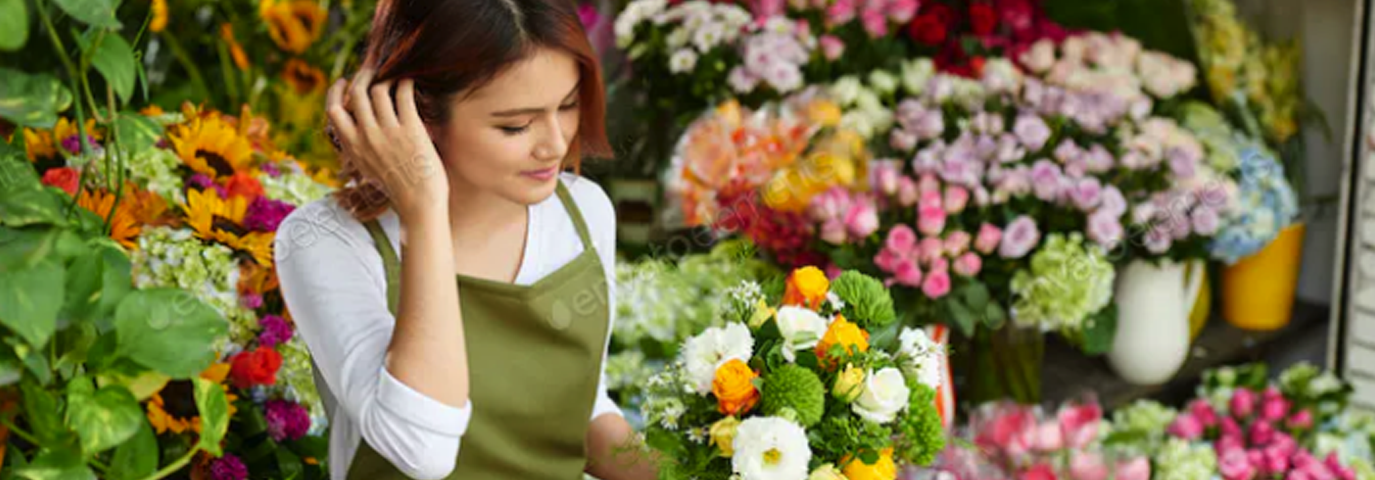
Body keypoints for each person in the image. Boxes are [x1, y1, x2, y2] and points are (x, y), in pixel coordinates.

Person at [273, 0, 656, 478]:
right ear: (416, 114)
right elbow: (421, 452)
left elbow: (582, 411)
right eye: (516, 125)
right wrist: (423, 212)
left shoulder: (582, 210)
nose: (555, 144)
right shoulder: (325, 242)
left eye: (569, 105)